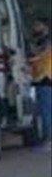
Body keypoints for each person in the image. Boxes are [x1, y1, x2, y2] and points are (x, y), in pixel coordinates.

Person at [29, 19, 52, 148]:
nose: (35, 28)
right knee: (42, 112)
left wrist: (28, 60)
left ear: (46, 27)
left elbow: (40, 56)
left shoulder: (47, 42)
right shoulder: (39, 42)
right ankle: (45, 138)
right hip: (39, 79)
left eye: (38, 25)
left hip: (46, 79)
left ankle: (48, 140)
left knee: (46, 112)